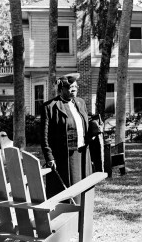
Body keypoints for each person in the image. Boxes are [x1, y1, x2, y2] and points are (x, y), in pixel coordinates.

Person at [40, 73, 92, 203]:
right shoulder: (50, 107)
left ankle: (81, 214)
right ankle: (67, 216)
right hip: (64, 156)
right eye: (70, 87)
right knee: (68, 190)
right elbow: (44, 135)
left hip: (82, 153)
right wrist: (49, 157)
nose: (74, 89)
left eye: (75, 86)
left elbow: (85, 124)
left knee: (83, 186)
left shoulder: (80, 103)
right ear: (61, 89)